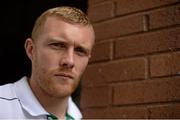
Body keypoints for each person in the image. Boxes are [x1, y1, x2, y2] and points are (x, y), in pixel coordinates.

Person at [0, 6, 95, 119]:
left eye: (80, 51)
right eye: (57, 45)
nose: (69, 61)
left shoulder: (79, 116)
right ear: (31, 49)